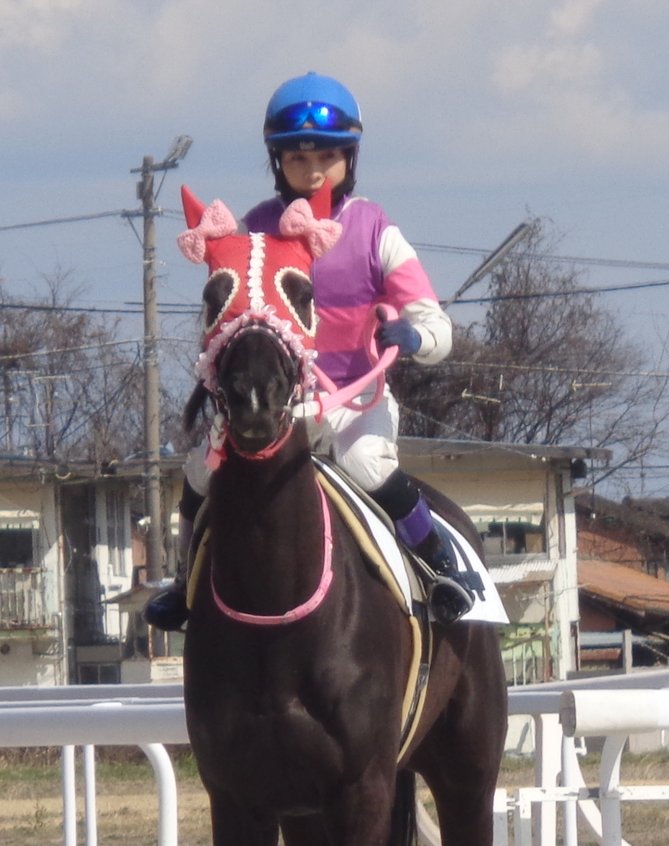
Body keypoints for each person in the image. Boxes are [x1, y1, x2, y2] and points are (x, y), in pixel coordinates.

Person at [145, 71, 474, 632]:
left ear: (351, 157)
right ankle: (184, 582)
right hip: (276, 406)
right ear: (278, 162)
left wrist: (416, 338)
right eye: (297, 158)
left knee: (367, 464)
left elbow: (433, 320)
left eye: (327, 155)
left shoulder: (374, 229)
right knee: (200, 474)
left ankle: (438, 566)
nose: (313, 169)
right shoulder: (252, 233)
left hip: (354, 400)